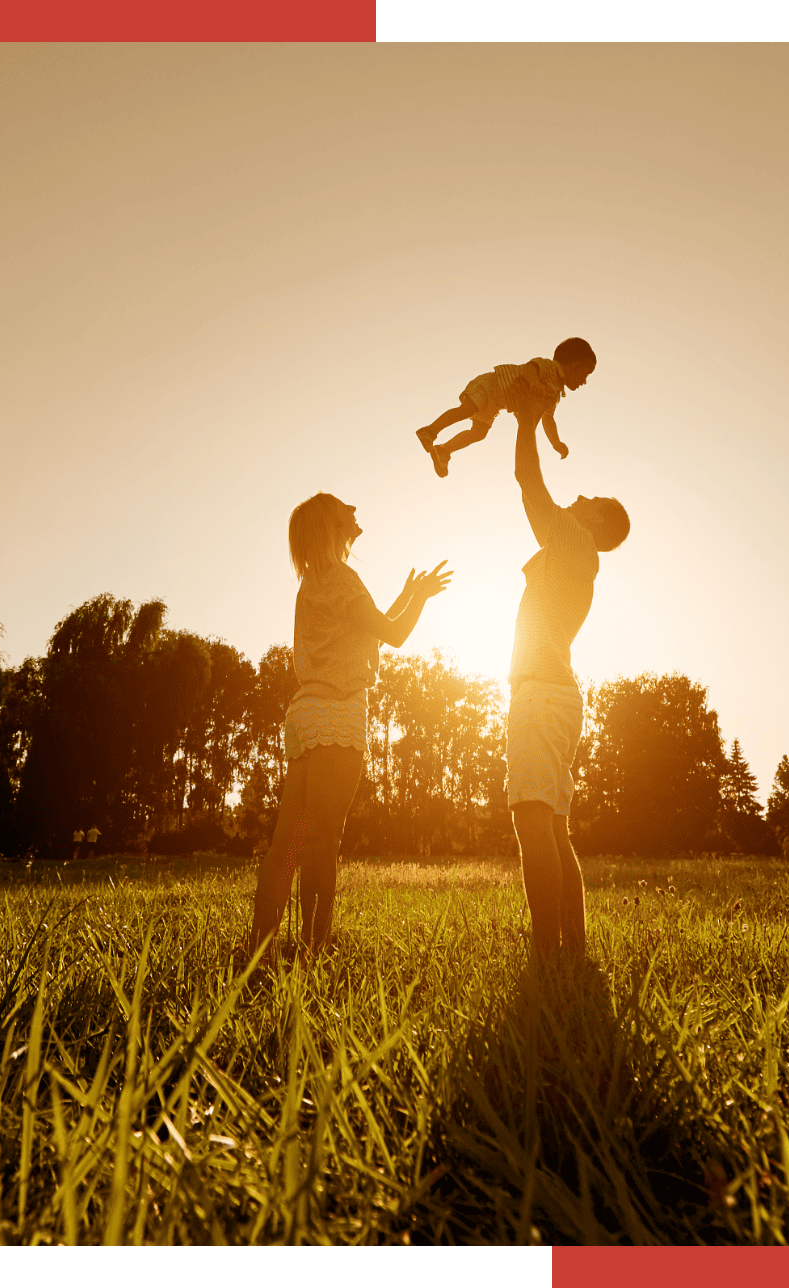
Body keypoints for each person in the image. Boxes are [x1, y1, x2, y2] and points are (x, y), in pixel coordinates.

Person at [249, 493, 452, 958]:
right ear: (331, 524)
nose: (354, 509)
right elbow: (394, 635)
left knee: (290, 841)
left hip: (305, 715)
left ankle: (260, 947)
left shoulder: (315, 581)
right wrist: (419, 599)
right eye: (345, 507)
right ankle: (314, 948)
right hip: (338, 715)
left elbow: (367, 625)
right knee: (324, 841)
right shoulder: (345, 579)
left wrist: (405, 595)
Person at [505, 388, 630, 959]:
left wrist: (527, 423)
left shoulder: (576, 538)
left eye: (593, 496)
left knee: (534, 824)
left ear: (599, 519)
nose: (580, 494)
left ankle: (549, 957)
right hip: (556, 696)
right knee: (554, 827)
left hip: (541, 696)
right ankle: (571, 954)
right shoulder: (579, 553)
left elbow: (529, 485)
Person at [416, 337, 597, 478]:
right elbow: (530, 368)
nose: (585, 381)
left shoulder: (553, 395)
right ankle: (430, 430)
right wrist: (532, 383)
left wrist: (555, 442)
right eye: (586, 374)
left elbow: (547, 419)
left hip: (497, 403)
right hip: (491, 385)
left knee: (479, 432)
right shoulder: (550, 367)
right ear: (576, 366)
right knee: (466, 410)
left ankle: (444, 450)